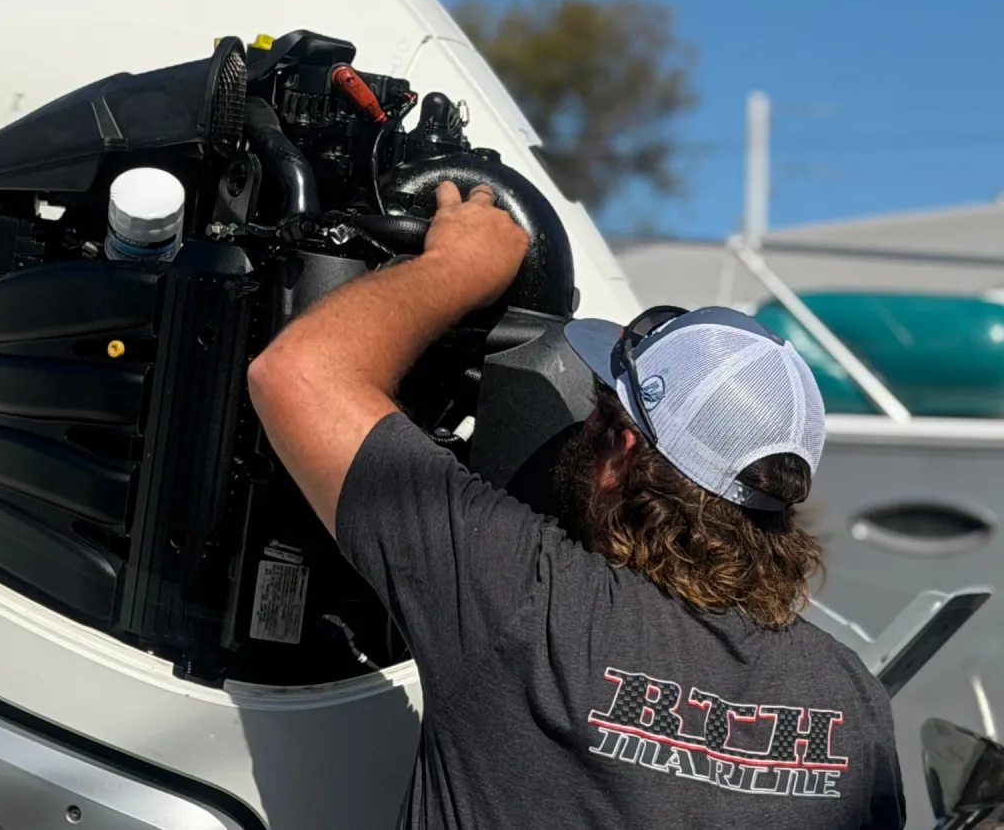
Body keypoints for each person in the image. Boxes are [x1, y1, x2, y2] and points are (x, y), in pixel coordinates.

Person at [247, 180, 906, 829]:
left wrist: (456, 268)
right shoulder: (851, 700)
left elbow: (298, 373)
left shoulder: (527, 597)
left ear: (621, 452)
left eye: (597, 413)